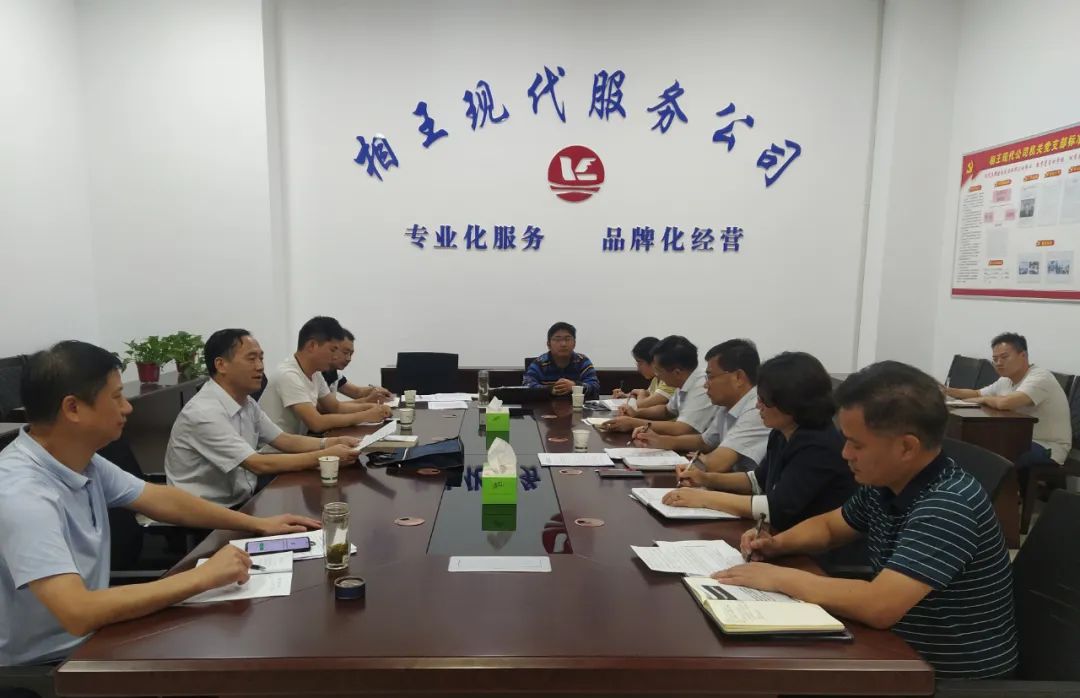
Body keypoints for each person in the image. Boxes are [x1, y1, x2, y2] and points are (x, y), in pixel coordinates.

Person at [0, 341, 320, 667]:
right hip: (51, 664)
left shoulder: (81, 460)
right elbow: (78, 612)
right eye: (116, 397)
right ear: (73, 409)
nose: (127, 407)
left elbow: (160, 499)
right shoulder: (23, 494)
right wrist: (203, 576)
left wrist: (257, 524)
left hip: (100, 636)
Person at [714, 361, 1018, 680]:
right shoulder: (886, 483)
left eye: (856, 444)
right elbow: (829, 528)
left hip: (944, 676)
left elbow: (878, 606)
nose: (845, 453)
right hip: (896, 650)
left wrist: (777, 578)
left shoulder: (948, 503)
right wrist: (776, 544)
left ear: (906, 447)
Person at [165, 329, 361, 508]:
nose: (260, 367)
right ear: (221, 365)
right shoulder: (204, 413)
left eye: (261, 358)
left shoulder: (246, 402)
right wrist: (325, 456)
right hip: (205, 513)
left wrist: (333, 442)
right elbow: (258, 464)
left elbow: (285, 440)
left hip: (243, 498)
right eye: (251, 359)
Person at [661, 352, 855, 527]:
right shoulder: (781, 432)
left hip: (815, 550)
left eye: (764, 400)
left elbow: (775, 508)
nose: (757, 405)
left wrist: (704, 498)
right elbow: (758, 480)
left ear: (790, 401)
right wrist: (706, 479)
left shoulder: (818, 445)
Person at [619, 340, 769, 473]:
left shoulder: (756, 409)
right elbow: (704, 441)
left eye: (711, 377)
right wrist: (660, 440)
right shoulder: (727, 404)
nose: (706, 384)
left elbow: (716, 463)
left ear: (738, 377)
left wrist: (701, 461)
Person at [945, 332, 1072, 471]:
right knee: (971, 442)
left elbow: (1004, 403)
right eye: (995, 359)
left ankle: (997, 486)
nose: (999, 363)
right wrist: (947, 391)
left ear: (1023, 355)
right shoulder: (1006, 379)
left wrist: (981, 400)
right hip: (1017, 437)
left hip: (1047, 447)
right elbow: (977, 393)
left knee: (992, 451)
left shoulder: (1040, 377)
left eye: (1004, 357)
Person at [259, 316, 392, 436]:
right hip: (274, 451)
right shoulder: (288, 375)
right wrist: (365, 416)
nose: (335, 356)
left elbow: (336, 407)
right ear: (312, 345)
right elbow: (316, 423)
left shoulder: (315, 373)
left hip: (297, 443)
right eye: (333, 350)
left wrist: (373, 408)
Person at [600, 335, 717, 439]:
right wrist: (636, 413)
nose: (656, 374)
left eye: (658, 370)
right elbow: (666, 411)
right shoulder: (684, 380)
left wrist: (633, 423)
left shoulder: (702, 386)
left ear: (676, 373)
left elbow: (681, 429)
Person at [523, 322, 600, 398]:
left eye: (567, 339)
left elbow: (595, 386)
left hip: (577, 405)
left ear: (574, 343)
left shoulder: (582, 361)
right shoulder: (540, 363)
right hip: (546, 405)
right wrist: (550, 389)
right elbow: (526, 385)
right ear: (548, 344)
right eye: (557, 339)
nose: (563, 344)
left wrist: (575, 386)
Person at [321, 328, 392, 404]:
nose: (349, 359)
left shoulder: (333, 373)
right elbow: (329, 408)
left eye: (351, 354)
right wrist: (367, 400)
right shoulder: (316, 373)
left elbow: (356, 392)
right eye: (345, 353)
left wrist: (374, 390)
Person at [611, 336, 675, 409]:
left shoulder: (669, 381)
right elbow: (647, 397)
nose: (638, 368)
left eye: (639, 362)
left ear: (653, 361)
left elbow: (642, 404)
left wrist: (641, 392)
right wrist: (625, 395)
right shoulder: (656, 379)